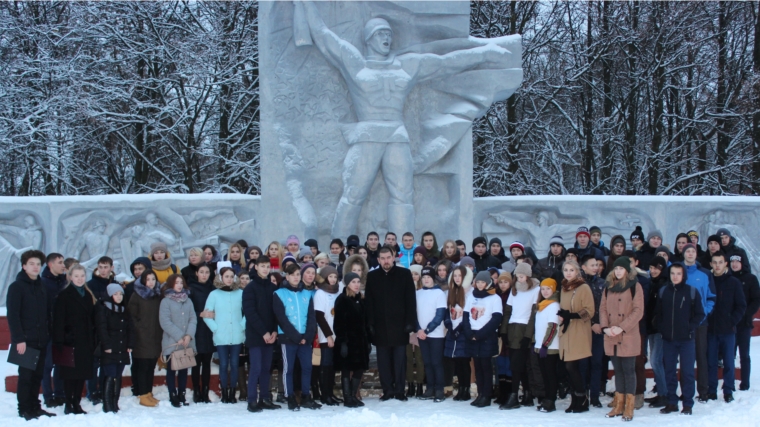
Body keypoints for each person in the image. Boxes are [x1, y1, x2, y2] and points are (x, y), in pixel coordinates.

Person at [7, 250, 55, 420]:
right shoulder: (17, 287)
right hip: (25, 341)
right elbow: (13, 315)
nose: (35, 267)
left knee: (38, 376)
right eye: (31, 264)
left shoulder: (41, 285)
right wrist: (18, 339)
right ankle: (24, 408)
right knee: (26, 376)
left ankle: (35, 406)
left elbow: (47, 312)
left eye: (38, 264)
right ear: (24, 266)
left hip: (42, 339)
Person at [365, 245, 417, 401]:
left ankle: (400, 390)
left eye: (388, 258)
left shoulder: (404, 274)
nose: (386, 261)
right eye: (383, 258)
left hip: (400, 327)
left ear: (393, 257)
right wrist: (370, 324)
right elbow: (369, 302)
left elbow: (410, 300)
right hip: (380, 328)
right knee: (384, 362)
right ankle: (387, 390)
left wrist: (410, 322)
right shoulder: (372, 276)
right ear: (379, 260)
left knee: (400, 361)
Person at [657, 263, 705, 415]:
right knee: (669, 371)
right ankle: (672, 402)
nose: (675, 276)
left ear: (683, 275)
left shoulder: (691, 291)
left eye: (678, 273)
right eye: (672, 273)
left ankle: (688, 404)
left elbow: (700, 314)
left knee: (687, 372)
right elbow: (657, 313)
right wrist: (661, 327)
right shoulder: (664, 291)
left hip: (686, 340)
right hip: (668, 340)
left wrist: (690, 327)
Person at [601, 257, 644, 421]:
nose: (618, 271)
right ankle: (618, 405)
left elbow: (638, 311)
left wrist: (622, 327)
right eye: (616, 268)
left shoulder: (635, 286)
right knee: (618, 370)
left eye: (621, 268)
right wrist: (606, 327)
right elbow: (603, 309)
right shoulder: (609, 287)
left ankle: (629, 407)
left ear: (627, 270)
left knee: (628, 370)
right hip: (611, 334)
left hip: (628, 334)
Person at [273, 263, 321, 411]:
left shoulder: (306, 294)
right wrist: (295, 336)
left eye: (298, 275)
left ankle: (306, 396)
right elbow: (281, 318)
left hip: (305, 339)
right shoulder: (279, 294)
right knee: (289, 368)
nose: (296, 277)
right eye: (292, 275)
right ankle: (290, 397)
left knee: (307, 367)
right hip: (288, 338)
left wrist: (307, 335)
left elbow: (311, 318)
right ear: (287, 276)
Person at [53, 263, 97, 416]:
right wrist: (61, 340)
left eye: (82, 276)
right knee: (69, 376)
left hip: (85, 342)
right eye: (76, 276)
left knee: (81, 374)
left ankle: (77, 403)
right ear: (70, 277)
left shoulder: (87, 295)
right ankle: (69, 403)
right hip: (69, 342)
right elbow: (58, 320)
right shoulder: (64, 295)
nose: (79, 279)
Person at [242, 255, 281, 412]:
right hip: (256, 335)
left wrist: (273, 331)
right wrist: (264, 332)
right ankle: (252, 400)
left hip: (270, 335)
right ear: (256, 267)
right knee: (256, 368)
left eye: (267, 266)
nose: (265, 269)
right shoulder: (250, 288)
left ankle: (265, 398)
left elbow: (276, 313)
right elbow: (250, 313)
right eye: (262, 266)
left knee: (267, 368)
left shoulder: (273, 289)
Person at [706, 251, 746, 403]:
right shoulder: (708, 281)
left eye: (720, 262)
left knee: (729, 362)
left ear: (725, 264)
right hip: (711, 329)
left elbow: (741, 305)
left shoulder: (733, 282)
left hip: (728, 330)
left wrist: (732, 321)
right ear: (711, 264)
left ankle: (728, 390)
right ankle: (711, 390)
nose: (717, 265)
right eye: (714, 262)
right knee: (711, 361)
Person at [500, 263, 540, 410]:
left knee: (516, 365)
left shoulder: (536, 289)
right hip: (512, 328)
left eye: (522, 276)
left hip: (524, 329)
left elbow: (533, 314)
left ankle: (514, 396)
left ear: (528, 276)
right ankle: (528, 394)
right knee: (518, 365)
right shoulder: (514, 289)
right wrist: (504, 331)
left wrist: (528, 336)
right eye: (517, 276)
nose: (520, 278)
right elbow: (508, 311)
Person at [203, 267, 245, 404]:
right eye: (226, 276)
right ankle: (224, 393)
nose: (229, 279)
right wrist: (215, 328)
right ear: (221, 278)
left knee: (234, 364)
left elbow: (248, 312)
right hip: (221, 336)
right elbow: (206, 315)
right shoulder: (214, 294)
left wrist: (242, 326)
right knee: (223, 364)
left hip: (237, 335)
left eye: (231, 276)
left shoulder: (240, 293)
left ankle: (232, 392)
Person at [557, 260, 594, 413]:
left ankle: (582, 398)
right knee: (569, 367)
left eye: (571, 270)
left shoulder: (583, 287)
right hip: (566, 330)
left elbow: (589, 311)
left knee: (572, 366)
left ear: (577, 271)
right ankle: (575, 399)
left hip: (579, 330)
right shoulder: (564, 287)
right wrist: (563, 316)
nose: (568, 273)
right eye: (566, 269)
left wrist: (571, 315)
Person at [463, 271, 503, 408]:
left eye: (483, 282)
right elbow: (465, 316)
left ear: (488, 283)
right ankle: (480, 394)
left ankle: (487, 395)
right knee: (477, 366)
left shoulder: (494, 298)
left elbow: (496, 319)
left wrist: (481, 334)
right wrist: (469, 333)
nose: (480, 285)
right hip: (472, 335)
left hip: (486, 336)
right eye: (478, 282)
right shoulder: (471, 296)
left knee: (486, 366)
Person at [681, 243, 716, 401]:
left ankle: (703, 391)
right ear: (683, 254)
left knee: (701, 356)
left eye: (692, 251)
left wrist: (704, 313)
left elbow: (711, 297)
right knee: (685, 359)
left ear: (696, 254)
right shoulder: (678, 272)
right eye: (687, 251)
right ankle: (686, 392)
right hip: (682, 323)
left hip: (701, 323)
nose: (690, 253)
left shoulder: (705, 273)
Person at [159, 274, 197, 408]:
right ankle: (172, 394)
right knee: (171, 369)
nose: (179, 285)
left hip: (186, 342)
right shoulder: (166, 301)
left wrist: (188, 336)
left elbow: (193, 318)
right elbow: (165, 322)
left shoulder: (188, 300)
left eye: (181, 282)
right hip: (172, 342)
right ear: (171, 285)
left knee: (184, 369)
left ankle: (182, 393)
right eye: (176, 283)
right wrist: (180, 336)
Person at [333, 272, 370, 408]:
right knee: (346, 369)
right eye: (353, 282)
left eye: (358, 281)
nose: (356, 284)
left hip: (360, 342)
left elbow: (365, 322)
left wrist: (368, 340)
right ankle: (347, 397)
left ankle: (353, 395)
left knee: (359, 368)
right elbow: (338, 323)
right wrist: (343, 342)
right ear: (347, 284)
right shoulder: (342, 299)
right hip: (347, 341)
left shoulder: (361, 299)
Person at [127, 270, 163, 407]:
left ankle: (148, 393)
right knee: (142, 367)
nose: (151, 282)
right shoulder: (137, 296)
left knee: (150, 367)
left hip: (155, 338)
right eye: (148, 280)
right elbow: (131, 317)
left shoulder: (157, 296)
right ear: (143, 281)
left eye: (153, 279)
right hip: (141, 338)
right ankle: (142, 394)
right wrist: (140, 329)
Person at [96, 283, 133, 413]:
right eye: (115, 294)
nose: (119, 297)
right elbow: (102, 328)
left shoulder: (124, 309)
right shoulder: (103, 308)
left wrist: (130, 344)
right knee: (110, 374)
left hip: (122, 347)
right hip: (110, 348)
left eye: (120, 294)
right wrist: (106, 345)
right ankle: (107, 404)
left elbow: (130, 329)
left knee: (118, 375)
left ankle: (114, 402)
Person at [414, 266, 447, 402]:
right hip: (421, 334)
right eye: (424, 277)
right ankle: (430, 389)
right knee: (427, 362)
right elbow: (413, 313)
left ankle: (439, 390)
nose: (426, 280)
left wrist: (427, 330)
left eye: (429, 277)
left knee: (436, 362)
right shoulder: (418, 293)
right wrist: (419, 329)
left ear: (433, 278)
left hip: (436, 334)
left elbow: (440, 315)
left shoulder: (439, 293)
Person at [39, 252, 67, 409]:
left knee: (61, 364)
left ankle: (60, 393)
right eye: (60, 262)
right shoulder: (42, 282)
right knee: (47, 365)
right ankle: (48, 396)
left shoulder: (64, 281)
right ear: (51, 265)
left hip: (62, 331)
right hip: (49, 331)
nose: (63, 265)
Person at [730, 254, 760, 391]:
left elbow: (756, 299)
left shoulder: (751, 278)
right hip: (730, 323)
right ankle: (728, 382)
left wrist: (747, 314)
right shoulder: (728, 278)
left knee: (744, 355)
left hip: (744, 323)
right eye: (732, 262)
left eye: (737, 261)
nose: (735, 264)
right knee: (729, 354)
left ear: (743, 263)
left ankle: (745, 383)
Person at [444, 265, 474, 401]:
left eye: (459, 276)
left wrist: (459, 329)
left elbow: (469, 315)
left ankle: (465, 389)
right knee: (457, 362)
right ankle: (460, 388)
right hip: (453, 332)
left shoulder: (470, 293)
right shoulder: (450, 292)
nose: (457, 278)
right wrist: (450, 327)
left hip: (463, 332)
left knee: (464, 362)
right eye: (454, 275)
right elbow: (446, 313)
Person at [187, 264, 215, 404]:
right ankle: (196, 391)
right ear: (197, 273)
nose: (204, 275)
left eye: (207, 272)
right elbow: (187, 311)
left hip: (209, 329)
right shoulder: (191, 289)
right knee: (196, 363)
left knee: (207, 362)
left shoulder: (213, 289)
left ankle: (205, 391)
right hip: (196, 329)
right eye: (201, 272)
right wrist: (200, 314)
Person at [314, 266, 342, 405]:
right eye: (330, 277)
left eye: (335, 277)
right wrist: (329, 335)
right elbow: (319, 316)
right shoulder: (320, 293)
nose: (332, 280)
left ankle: (331, 393)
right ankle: (325, 395)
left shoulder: (338, 292)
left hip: (337, 334)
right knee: (326, 365)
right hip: (326, 335)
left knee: (332, 366)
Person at [644, 256, 669, 408]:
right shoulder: (651, 282)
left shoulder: (665, 284)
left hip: (660, 329)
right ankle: (660, 392)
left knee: (656, 360)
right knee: (655, 360)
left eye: (657, 268)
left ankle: (664, 394)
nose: (653, 271)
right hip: (651, 328)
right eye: (652, 268)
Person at [533, 278, 560, 413]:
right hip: (540, 346)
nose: (545, 291)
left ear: (553, 289)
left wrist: (545, 345)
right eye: (543, 289)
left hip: (550, 347)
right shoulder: (541, 305)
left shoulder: (554, 305)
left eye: (548, 289)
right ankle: (546, 399)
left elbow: (553, 327)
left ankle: (551, 400)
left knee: (550, 375)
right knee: (544, 374)